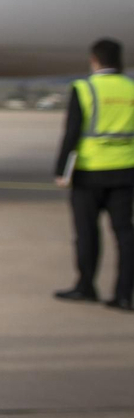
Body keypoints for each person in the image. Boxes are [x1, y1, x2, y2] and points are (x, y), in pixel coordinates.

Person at [54, 38, 134, 311]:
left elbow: (72, 133)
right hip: (126, 170)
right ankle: (124, 295)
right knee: (125, 234)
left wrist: (61, 170)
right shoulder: (131, 88)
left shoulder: (84, 88)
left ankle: (86, 287)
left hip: (89, 173)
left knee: (87, 233)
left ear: (94, 60)